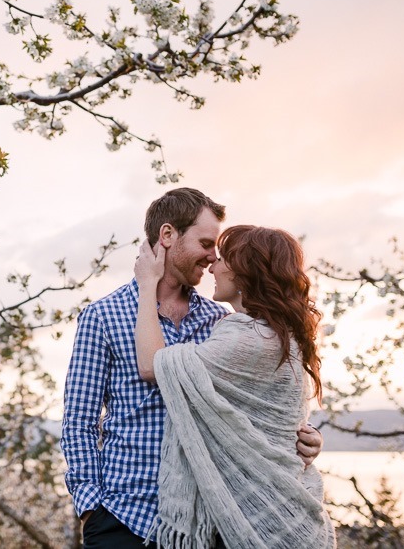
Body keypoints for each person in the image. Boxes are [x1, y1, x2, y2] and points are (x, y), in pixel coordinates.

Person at [60, 188, 323, 548]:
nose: (213, 257)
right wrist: (91, 510)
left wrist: (301, 435)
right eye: (205, 243)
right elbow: (79, 421)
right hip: (124, 518)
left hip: (205, 525)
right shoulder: (102, 316)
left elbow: (250, 407)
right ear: (167, 236)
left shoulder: (221, 320)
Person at [134, 225, 335, 548]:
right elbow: (266, 417)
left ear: (245, 273)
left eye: (224, 258)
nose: (212, 264)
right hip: (284, 510)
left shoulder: (249, 338)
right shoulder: (281, 335)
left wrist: (147, 285)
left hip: (263, 520)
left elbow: (152, 364)